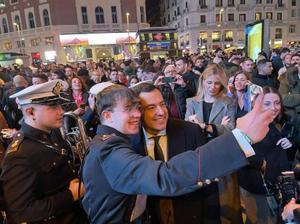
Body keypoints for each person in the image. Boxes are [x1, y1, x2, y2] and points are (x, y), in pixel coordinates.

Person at [81, 81, 273, 224]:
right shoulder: (109, 148)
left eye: (137, 108)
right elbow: (165, 176)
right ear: (107, 115)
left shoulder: (112, 142)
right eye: (129, 109)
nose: (137, 114)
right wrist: (238, 139)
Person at [130, 82, 220, 223]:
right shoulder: (129, 142)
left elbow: (209, 186)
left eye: (162, 104)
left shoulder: (191, 132)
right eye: (151, 107)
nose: (161, 112)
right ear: (137, 112)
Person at [0, 80, 87, 224]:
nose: (61, 111)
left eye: (59, 104)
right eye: (52, 106)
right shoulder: (19, 154)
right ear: (30, 111)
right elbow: (20, 212)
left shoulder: (51, 134)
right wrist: (70, 194)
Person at [238, 87, 291, 224]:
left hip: (277, 186)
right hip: (257, 188)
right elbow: (240, 149)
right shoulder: (248, 123)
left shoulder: (278, 122)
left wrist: (288, 145)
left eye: (277, 103)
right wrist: (262, 164)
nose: (273, 107)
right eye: (267, 103)